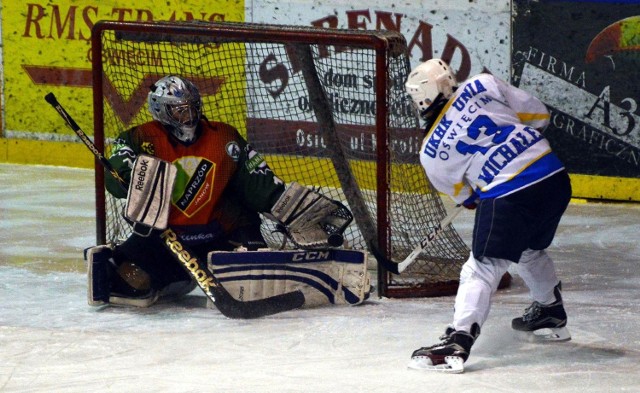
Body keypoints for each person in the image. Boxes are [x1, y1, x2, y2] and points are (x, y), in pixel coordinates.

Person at [86, 75, 362, 308]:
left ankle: (223, 268)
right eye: (179, 110)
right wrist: (133, 177)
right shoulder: (139, 139)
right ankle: (175, 278)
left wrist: (289, 208)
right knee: (128, 285)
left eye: (193, 107)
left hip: (226, 235)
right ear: (160, 110)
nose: (189, 115)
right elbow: (115, 181)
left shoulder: (224, 138)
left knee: (248, 279)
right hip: (166, 239)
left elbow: (258, 187)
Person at [404, 59, 572, 373]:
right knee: (528, 249)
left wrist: (484, 185)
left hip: (509, 192)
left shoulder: (430, 153)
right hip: (554, 178)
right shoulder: (482, 84)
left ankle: (459, 338)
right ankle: (550, 309)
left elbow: (467, 199)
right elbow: (539, 116)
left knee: (481, 267)